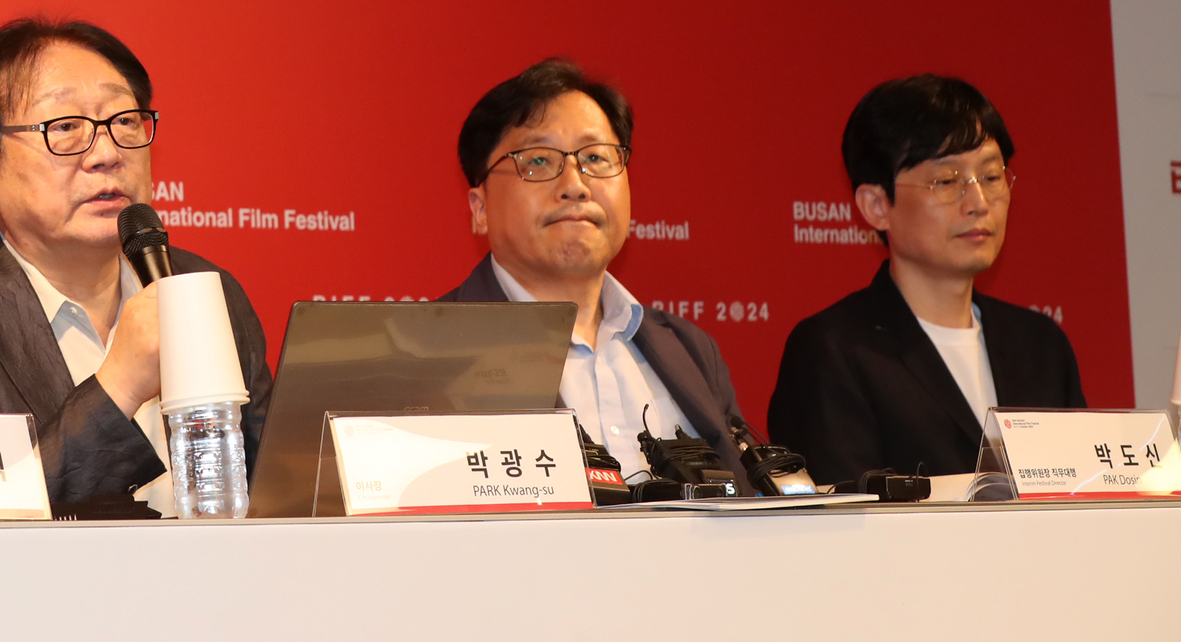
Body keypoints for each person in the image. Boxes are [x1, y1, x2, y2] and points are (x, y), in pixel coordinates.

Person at [0, 17, 274, 510]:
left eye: (125, 121)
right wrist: (119, 386)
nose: (108, 153)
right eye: (66, 128)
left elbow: (277, 493)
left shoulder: (203, 290)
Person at [439, 58, 753, 489]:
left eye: (595, 158)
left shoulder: (690, 351)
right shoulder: (426, 357)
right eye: (537, 161)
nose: (575, 184)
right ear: (480, 209)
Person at [767, 75, 1083, 485]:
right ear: (877, 205)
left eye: (991, 177)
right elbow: (838, 527)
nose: (979, 204)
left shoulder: (1041, 347)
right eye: (947, 182)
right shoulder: (834, 351)